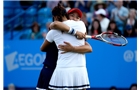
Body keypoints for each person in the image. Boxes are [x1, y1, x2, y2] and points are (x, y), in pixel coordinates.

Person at [36, 7, 92, 90]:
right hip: (52, 69)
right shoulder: (79, 27)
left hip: (63, 71)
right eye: (72, 15)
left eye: (77, 17)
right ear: (67, 15)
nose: (74, 19)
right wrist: (75, 32)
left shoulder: (80, 26)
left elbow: (89, 48)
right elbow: (54, 25)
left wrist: (72, 48)